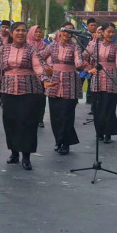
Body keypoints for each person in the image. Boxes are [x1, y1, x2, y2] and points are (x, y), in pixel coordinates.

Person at [0, 22, 46, 169]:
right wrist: (0, 78)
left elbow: (38, 66)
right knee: (10, 123)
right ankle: (14, 153)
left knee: (27, 124)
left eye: (23, 31)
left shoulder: (31, 49)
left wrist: (45, 79)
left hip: (29, 92)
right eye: (17, 30)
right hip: (8, 91)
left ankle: (26, 156)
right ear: (12, 33)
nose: (20, 33)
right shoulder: (4, 49)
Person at [39, 23, 84, 155]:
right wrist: (46, 67)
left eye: (70, 31)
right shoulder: (52, 46)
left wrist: (82, 64)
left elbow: (78, 62)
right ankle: (58, 140)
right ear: (60, 31)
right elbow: (38, 57)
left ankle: (65, 143)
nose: (67, 33)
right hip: (54, 82)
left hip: (70, 83)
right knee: (55, 115)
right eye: (65, 30)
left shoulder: (76, 47)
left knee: (66, 115)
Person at [87, 23, 117, 143]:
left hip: (111, 77)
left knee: (109, 107)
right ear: (102, 32)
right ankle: (99, 132)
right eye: (109, 31)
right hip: (97, 77)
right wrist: (87, 68)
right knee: (97, 107)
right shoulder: (94, 45)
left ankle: (108, 132)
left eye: (113, 32)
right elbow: (84, 56)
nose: (111, 34)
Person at [27, 25, 48, 129]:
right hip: (29, 74)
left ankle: (40, 119)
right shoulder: (26, 45)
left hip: (41, 75)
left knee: (41, 98)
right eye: (36, 32)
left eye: (40, 32)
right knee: (30, 98)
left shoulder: (45, 45)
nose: (38, 34)